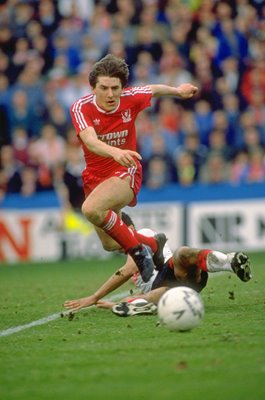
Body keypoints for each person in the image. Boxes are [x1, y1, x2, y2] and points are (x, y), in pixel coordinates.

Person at [70, 54, 198, 282]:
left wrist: (178, 91)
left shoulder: (131, 98)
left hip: (126, 170)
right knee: (110, 244)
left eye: (115, 88)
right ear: (93, 87)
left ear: (122, 87)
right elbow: (90, 141)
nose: (110, 94)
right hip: (96, 177)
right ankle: (152, 244)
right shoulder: (81, 107)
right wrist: (116, 151)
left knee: (90, 210)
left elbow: (153, 89)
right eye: (104, 88)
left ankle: (139, 253)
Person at [64, 213, 252, 316]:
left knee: (182, 253)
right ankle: (145, 306)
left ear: (128, 230)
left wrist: (94, 296)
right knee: (146, 296)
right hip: (169, 288)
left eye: (116, 236)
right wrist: (116, 304)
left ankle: (230, 262)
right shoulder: (129, 253)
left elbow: (127, 270)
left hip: (172, 271)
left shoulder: (143, 235)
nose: (115, 245)